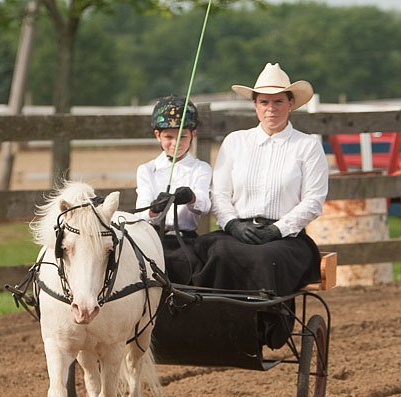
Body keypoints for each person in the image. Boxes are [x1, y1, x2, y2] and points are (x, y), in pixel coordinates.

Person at [191, 63, 329, 347]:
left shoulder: (307, 146)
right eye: (264, 102)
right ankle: (214, 325)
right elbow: (220, 193)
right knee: (211, 249)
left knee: (266, 257)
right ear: (254, 105)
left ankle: (265, 326)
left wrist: (277, 230)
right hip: (238, 230)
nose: (271, 109)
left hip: (285, 238)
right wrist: (231, 224)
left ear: (291, 104)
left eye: (278, 101)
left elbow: (314, 200)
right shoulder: (236, 142)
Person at [135, 95, 212, 284]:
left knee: (189, 265)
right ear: (157, 135)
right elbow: (142, 212)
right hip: (151, 238)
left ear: (193, 134)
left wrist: (191, 197)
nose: (175, 143)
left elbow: (205, 205)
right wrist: (155, 208)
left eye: (182, 137)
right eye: (168, 137)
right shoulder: (147, 170)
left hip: (185, 241)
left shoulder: (201, 168)